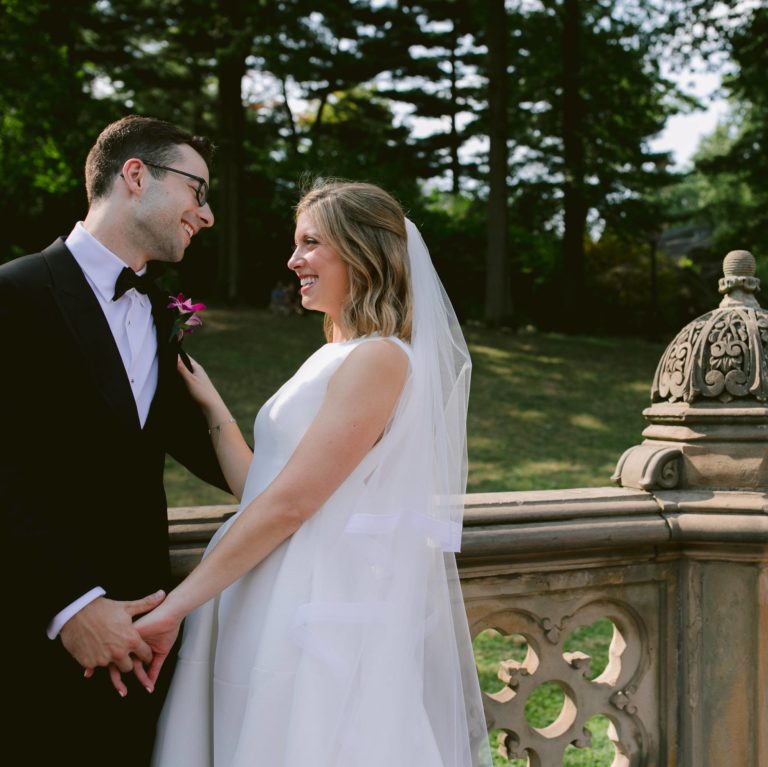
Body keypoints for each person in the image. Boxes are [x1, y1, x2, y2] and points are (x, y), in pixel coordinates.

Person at [136, 180, 491, 767]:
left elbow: (291, 505)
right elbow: (263, 489)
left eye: (309, 243)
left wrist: (174, 607)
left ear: (361, 252)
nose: (292, 260)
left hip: (308, 601)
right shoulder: (335, 353)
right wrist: (213, 408)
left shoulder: (379, 357)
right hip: (262, 587)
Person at [0, 115, 230, 766]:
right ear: (135, 175)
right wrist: (70, 607)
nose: (205, 214)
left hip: (142, 646)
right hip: (33, 646)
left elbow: (201, 443)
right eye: (198, 190)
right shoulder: (14, 294)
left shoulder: (159, 313)